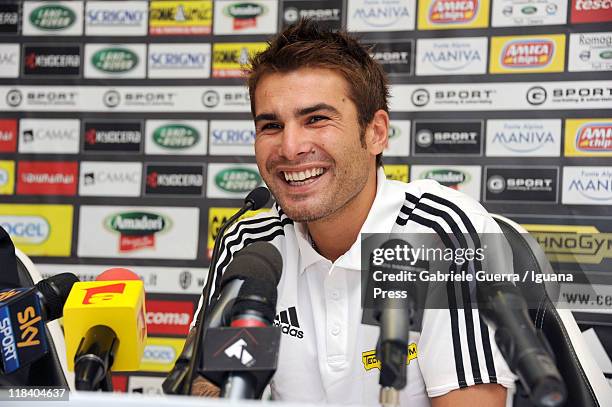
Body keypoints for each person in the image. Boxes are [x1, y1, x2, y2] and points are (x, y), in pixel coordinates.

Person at [187, 19, 516, 405]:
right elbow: (210, 391)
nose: (290, 148)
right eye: (272, 125)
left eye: (316, 119)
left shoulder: (442, 231)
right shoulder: (251, 243)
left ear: (375, 132)